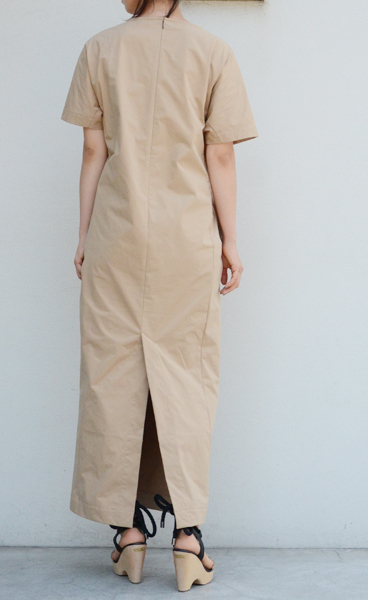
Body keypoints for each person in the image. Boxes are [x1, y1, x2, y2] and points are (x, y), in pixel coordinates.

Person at [61, 0, 258, 591]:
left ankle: (128, 534)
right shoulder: (214, 52)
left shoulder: (100, 48)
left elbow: (93, 152)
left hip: (117, 237)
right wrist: (230, 240)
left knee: (112, 374)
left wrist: (83, 234)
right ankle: (189, 539)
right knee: (186, 378)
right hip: (186, 240)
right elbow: (219, 153)